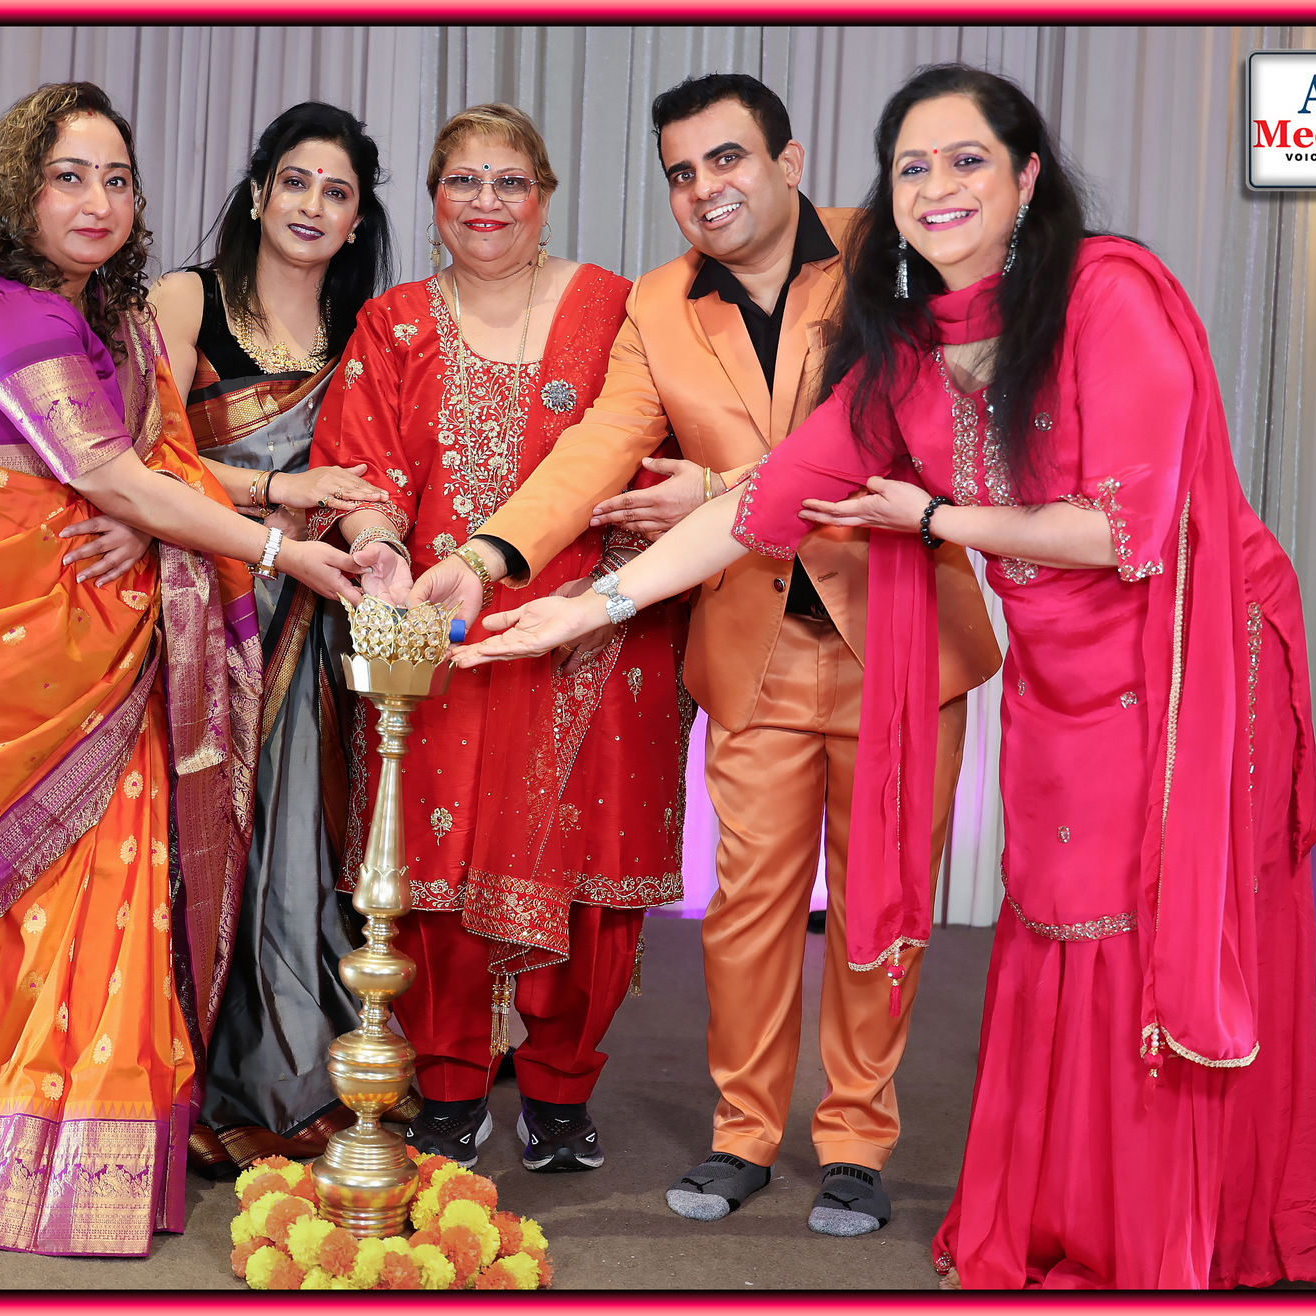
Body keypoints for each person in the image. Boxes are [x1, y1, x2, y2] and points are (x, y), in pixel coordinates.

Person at [461, 62, 1316, 1290]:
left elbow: (1121, 528)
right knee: (1061, 921)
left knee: (1146, 928)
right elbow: (761, 504)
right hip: (1052, 666)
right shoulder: (907, 356)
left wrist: (931, 518)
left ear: (1025, 177)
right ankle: (1074, 1214)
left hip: (1184, 650)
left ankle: (1175, 1231)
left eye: (965, 159)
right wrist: (577, 606)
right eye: (912, 166)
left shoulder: (1106, 293)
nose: (935, 186)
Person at [409, 73, 1000, 1235]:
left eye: (725, 159)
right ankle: (742, 1135)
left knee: (881, 908)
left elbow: (879, 434)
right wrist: (486, 554)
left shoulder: (890, 256)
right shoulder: (662, 303)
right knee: (746, 914)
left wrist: (719, 481)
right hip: (753, 646)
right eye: (680, 172)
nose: (703, 189)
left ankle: (855, 1142)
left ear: (788, 161)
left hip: (899, 639)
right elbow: (598, 446)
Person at [0, 81, 361, 1257]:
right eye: (68, 176)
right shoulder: (0, 309)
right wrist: (274, 548)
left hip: (90, 648)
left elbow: (146, 469)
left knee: (102, 893)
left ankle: (77, 1146)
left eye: (116, 179)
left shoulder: (106, 316)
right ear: (18, 190)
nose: (97, 200)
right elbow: (113, 476)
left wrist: (204, 507)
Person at [310, 103, 692, 1174]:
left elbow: (651, 445)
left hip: (596, 634)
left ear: (546, 197)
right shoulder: (393, 322)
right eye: (463, 181)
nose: (486, 202)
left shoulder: (613, 306)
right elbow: (362, 470)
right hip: (441, 636)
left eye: (509, 181)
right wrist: (378, 548)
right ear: (434, 200)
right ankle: (448, 1082)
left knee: (588, 862)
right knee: (432, 863)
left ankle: (562, 1089)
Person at [149, 101, 397, 1173]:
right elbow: (138, 457)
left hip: (309, 616)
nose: (311, 205)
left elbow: (377, 476)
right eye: (295, 181)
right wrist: (273, 491)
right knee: (186, 833)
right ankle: (172, 1068)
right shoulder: (185, 299)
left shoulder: (366, 333)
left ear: (356, 220)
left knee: (293, 837)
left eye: (336, 192)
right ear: (257, 194)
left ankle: (283, 1068)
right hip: (192, 602)